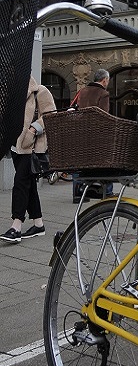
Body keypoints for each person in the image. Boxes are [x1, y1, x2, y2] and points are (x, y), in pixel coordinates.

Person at [0, 76, 56, 243]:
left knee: (20, 183)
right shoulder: (11, 96)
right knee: (29, 185)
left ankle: (16, 226)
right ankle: (38, 224)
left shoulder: (40, 91)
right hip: (15, 147)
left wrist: (33, 129)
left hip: (31, 148)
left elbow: (51, 115)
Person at [72, 69, 112, 203]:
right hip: (96, 134)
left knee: (80, 163)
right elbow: (103, 116)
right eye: (108, 80)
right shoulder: (103, 93)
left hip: (81, 132)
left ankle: (78, 194)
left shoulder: (82, 91)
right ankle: (107, 191)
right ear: (104, 80)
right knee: (104, 162)